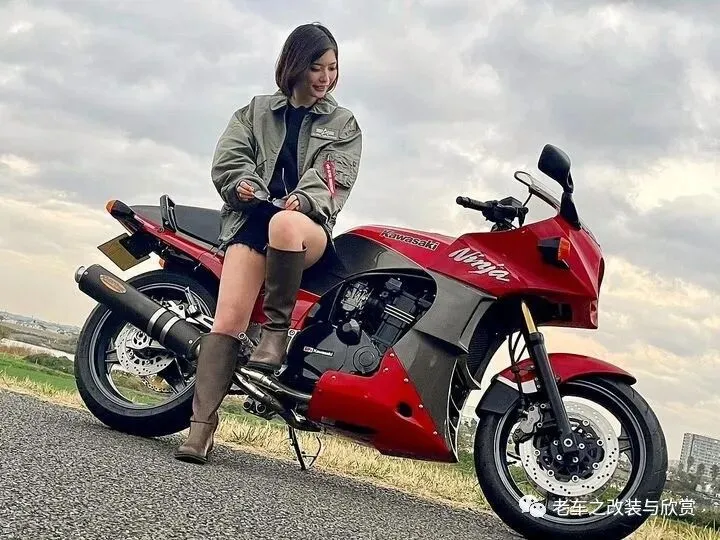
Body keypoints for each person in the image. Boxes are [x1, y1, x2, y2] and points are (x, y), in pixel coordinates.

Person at [174, 22, 363, 464]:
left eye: (332, 67)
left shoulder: (343, 124)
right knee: (226, 322)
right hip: (251, 223)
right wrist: (242, 183)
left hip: (304, 228)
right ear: (295, 65)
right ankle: (201, 429)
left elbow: (335, 177)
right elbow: (229, 158)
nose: (325, 77)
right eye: (316, 67)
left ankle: (275, 337)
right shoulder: (255, 111)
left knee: (285, 224)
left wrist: (306, 198)